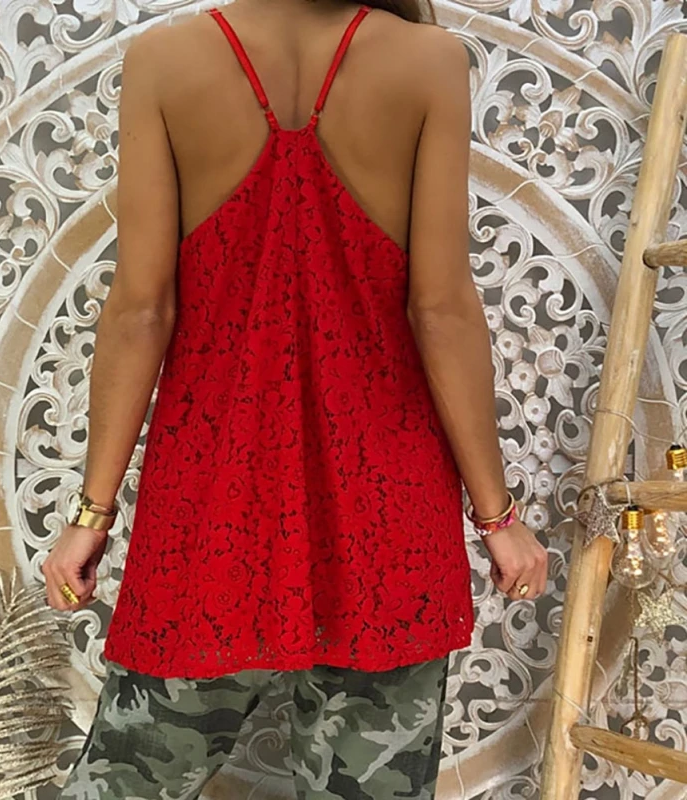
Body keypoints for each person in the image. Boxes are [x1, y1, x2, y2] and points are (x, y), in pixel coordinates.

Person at [42, 0, 549, 797]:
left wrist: (90, 515)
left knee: (127, 781)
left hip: (212, 505)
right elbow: (441, 309)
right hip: (388, 512)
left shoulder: (164, 62)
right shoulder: (429, 61)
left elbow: (141, 309)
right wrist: (498, 519)